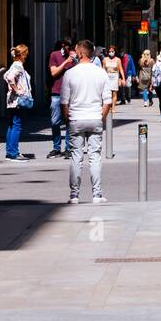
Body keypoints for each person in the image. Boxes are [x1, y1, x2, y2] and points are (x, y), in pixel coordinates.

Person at [60, 39, 112, 205]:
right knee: (95, 157)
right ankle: (97, 194)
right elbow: (107, 101)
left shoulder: (70, 73)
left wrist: (68, 118)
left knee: (76, 156)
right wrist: (100, 117)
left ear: (81, 53)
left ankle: (74, 195)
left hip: (76, 118)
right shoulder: (101, 73)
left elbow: (64, 102)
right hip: (95, 117)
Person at [47, 39, 77, 158]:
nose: (70, 50)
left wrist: (76, 61)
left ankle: (68, 148)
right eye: (68, 48)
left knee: (69, 121)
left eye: (72, 48)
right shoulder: (55, 55)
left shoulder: (75, 58)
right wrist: (65, 62)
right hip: (56, 93)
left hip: (70, 94)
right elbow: (53, 73)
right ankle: (56, 148)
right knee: (55, 121)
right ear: (63, 46)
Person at [3, 45, 33, 160]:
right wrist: (17, 90)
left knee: (12, 125)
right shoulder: (18, 65)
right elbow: (10, 77)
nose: (27, 55)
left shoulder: (14, 65)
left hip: (12, 101)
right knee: (17, 126)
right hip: (17, 101)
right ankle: (14, 153)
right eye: (26, 53)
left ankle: (10, 152)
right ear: (23, 54)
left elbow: (6, 75)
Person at [103, 46, 123, 113]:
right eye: (109, 51)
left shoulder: (118, 60)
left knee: (114, 93)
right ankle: (109, 106)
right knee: (108, 93)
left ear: (115, 52)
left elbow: (121, 69)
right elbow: (103, 69)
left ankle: (113, 107)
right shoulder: (105, 59)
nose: (111, 53)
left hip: (115, 77)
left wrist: (123, 78)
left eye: (112, 51)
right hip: (107, 77)